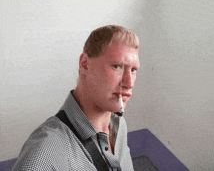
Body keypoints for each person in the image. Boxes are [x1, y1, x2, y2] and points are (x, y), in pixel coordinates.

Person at [12, 25, 140, 170]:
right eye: (117, 66)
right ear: (84, 64)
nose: (129, 83)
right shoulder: (45, 151)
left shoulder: (119, 125)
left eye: (134, 70)